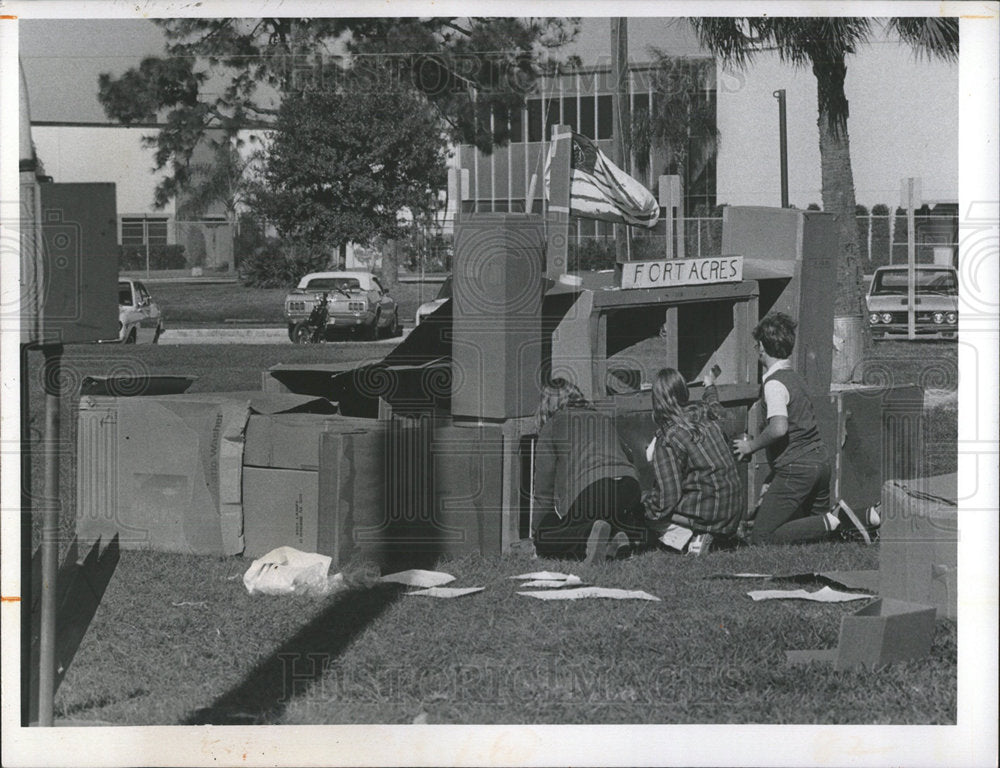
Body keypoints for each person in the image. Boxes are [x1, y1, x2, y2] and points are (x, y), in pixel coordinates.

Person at [733, 312, 839, 544]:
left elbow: (779, 428)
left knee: (761, 536)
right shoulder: (795, 378)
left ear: (762, 348)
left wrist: (750, 446)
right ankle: (854, 518)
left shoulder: (774, 384)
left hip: (798, 468)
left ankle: (835, 520)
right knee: (816, 533)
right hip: (820, 462)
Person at [532, 379, 643, 563]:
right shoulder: (601, 417)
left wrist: (537, 532)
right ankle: (617, 538)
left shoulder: (553, 424)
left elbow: (544, 492)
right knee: (604, 518)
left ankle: (587, 537)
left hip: (593, 490)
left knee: (546, 536)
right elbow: (629, 455)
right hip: (629, 485)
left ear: (546, 404)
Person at [641, 367, 744, 555]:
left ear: (656, 400)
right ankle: (715, 537)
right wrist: (710, 388)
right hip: (733, 510)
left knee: (652, 513)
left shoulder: (669, 437)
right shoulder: (708, 415)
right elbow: (714, 405)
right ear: (684, 391)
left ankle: (693, 539)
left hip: (709, 514)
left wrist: (645, 505)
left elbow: (667, 497)